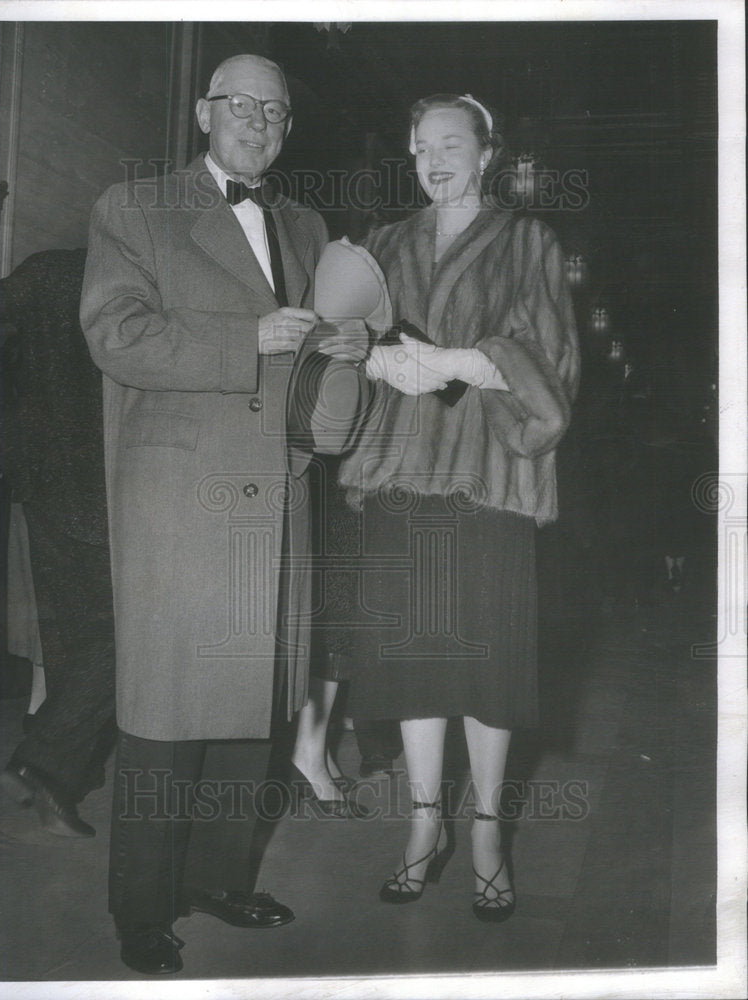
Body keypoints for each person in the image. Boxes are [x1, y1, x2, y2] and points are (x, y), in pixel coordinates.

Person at [80, 54, 369, 975]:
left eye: (277, 112)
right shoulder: (137, 208)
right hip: (180, 501)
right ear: (205, 112)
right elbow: (116, 335)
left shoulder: (307, 225)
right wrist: (244, 339)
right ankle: (142, 909)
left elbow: (314, 379)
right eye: (242, 104)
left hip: (275, 497)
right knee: (166, 718)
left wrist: (348, 347)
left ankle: (218, 877)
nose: (260, 121)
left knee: (254, 712)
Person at [334, 93, 580, 921]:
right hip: (402, 480)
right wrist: (374, 366)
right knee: (415, 666)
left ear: (486, 153)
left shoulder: (528, 240)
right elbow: (339, 341)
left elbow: (553, 360)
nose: (433, 160)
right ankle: (422, 826)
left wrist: (461, 362)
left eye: (451, 144)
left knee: (490, 674)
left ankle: (485, 836)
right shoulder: (383, 245)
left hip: (488, 483)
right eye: (420, 148)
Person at [0, 249, 116, 836]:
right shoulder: (60, 272)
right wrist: (9, 433)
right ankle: (45, 762)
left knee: (79, 635)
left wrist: (15, 439)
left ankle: (68, 771)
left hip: (73, 484)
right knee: (131, 633)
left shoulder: (64, 270)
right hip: (83, 487)